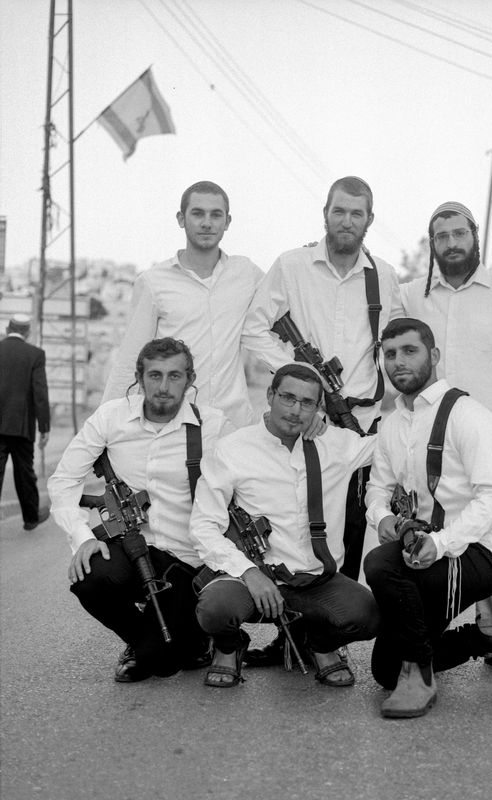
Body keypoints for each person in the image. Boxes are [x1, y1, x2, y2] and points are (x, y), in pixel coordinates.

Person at [401, 201, 492, 673]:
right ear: (432, 244)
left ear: (475, 236)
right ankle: (489, 634)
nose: (451, 243)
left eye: (458, 233)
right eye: (441, 236)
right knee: (445, 541)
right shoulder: (414, 296)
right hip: (438, 454)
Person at [364, 318, 492, 719]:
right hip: (423, 554)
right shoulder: (392, 424)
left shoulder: (468, 415)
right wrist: (383, 517)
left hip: (478, 554)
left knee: (380, 565)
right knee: (384, 671)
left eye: (410, 351)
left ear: (434, 355)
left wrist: (440, 543)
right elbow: (376, 488)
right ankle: (491, 638)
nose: (398, 361)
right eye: (390, 354)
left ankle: (419, 678)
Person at [247, 175, 403, 584]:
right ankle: (288, 616)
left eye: (356, 213)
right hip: (300, 418)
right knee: (291, 524)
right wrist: (302, 380)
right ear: (325, 214)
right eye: (339, 211)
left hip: (357, 425)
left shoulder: (384, 277)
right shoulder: (292, 265)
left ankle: (338, 614)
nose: (347, 221)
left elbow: (396, 344)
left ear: (369, 219)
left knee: (349, 530)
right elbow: (254, 328)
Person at [48, 338, 232, 682]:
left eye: (174, 376)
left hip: (187, 559)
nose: (164, 387)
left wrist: (315, 428)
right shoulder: (111, 417)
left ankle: (186, 637)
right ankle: (139, 641)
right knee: (91, 576)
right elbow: (64, 480)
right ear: (139, 377)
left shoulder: (213, 426)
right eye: (155, 375)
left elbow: (258, 461)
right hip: (132, 547)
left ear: (190, 380)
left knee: (167, 663)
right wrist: (82, 537)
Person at [189, 363, 379, 689]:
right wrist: (248, 573)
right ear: (270, 395)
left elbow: (396, 441)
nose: (295, 410)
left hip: (314, 579)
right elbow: (203, 526)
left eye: (307, 403)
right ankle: (229, 647)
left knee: (368, 616)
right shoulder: (233, 449)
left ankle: (317, 643)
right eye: (288, 398)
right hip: (251, 578)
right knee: (215, 609)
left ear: (318, 408)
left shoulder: (337, 444)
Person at [102, 180, 284, 429]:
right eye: (198, 213)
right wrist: (107, 428)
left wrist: (305, 261)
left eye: (216, 215)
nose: (207, 223)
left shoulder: (246, 274)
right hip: (174, 424)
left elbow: (285, 304)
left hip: (232, 424)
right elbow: (130, 359)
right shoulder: (154, 282)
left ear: (227, 222)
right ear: (181, 218)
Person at [0, 314, 50, 530]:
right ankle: (30, 519)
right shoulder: (35, 354)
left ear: (7, 329)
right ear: (28, 332)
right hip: (21, 425)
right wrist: (44, 426)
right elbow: (40, 393)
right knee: (24, 473)